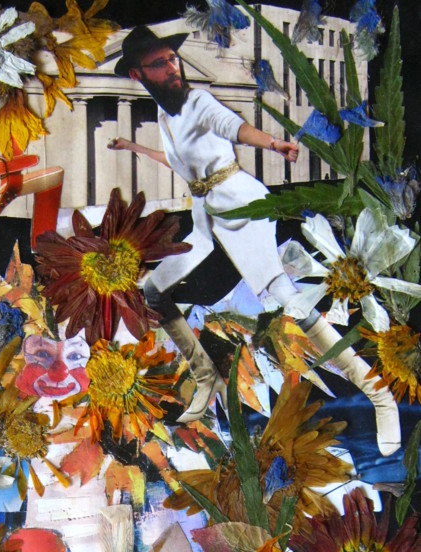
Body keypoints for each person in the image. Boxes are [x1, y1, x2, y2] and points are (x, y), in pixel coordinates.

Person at [109, 25, 400, 454]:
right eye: (160, 63)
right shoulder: (166, 115)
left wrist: (272, 143)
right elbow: (181, 163)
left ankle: (379, 394)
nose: (172, 67)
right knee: (153, 290)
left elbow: (232, 127)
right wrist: (134, 148)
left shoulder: (197, 101)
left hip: (240, 204)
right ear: (138, 75)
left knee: (288, 301)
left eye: (172, 58)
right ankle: (206, 376)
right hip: (206, 213)